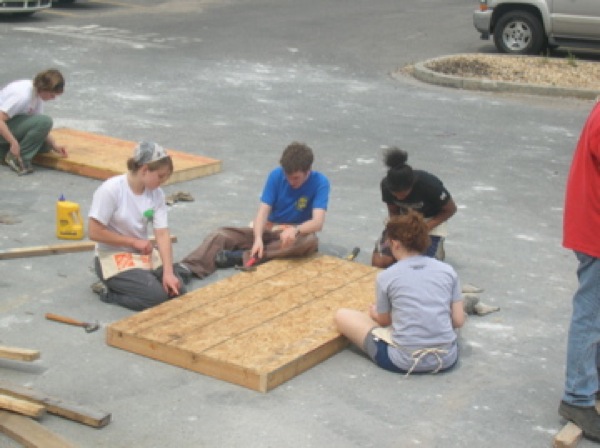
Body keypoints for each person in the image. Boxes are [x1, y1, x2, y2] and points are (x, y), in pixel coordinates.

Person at [335, 210, 465, 375]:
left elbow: (383, 320)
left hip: (402, 360)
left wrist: (375, 314)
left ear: (395, 244)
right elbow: (458, 321)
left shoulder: (386, 276)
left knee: (342, 315)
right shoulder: (447, 271)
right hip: (446, 358)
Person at [179, 142, 330, 278]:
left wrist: (295, 230)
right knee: (221, 234)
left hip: (294, 235)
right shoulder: (276, 175)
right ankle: (188, 267)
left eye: (296, 178)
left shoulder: (320, 182)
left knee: (309, 242)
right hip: (271, 229)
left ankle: (241, 256)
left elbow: (318, 222)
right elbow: (262, 212)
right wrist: (258, 238)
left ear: (308, 171)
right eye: (288, 176)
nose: (291, 182)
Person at [88, 141, 190, 311]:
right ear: (144, 170)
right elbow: (94, 232)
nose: (163, 181)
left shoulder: (156, 194)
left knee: (176, 290)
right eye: (160, 176)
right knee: (156, 298)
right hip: (112, 255)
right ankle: (109, 293)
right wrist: (132, 242)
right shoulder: (111, 190)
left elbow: (162, 234)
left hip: (141, 254)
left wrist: (168, 272)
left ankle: (149, 278)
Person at [558, 101, 600, 442]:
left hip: (591, 225)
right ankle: (578, 397)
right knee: (591, 314)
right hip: (595, 231)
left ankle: (592, 382)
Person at [372, 147, 457, 269]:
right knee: (380, 263)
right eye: (395, 194)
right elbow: (394, 212)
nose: (398, 197)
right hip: (404, 219)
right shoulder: (386, 185)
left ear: (412, 185)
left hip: (429, 221)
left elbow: (450, 209)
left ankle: (436, 249)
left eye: (403, 194)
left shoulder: (429, 185)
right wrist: (397, 232)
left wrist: (423, 229)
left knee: (419, 267)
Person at [0, 69, 68, 176]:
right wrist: (13, 142)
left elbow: (38, 127)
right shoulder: (22, 96)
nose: (53, 98)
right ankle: (18, 160)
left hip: (9, 125)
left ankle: (5, 154)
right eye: (52, 94)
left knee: (45, 145)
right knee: (45, 121)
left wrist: (54, 145)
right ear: (44, 89)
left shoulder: (37, 94)